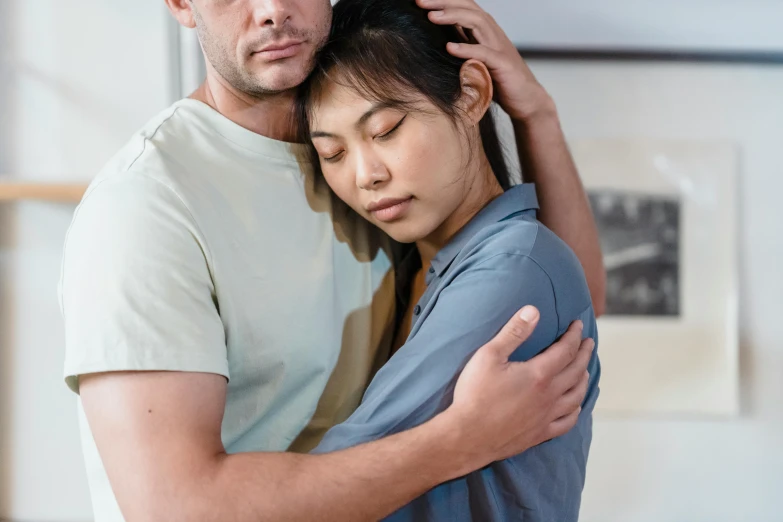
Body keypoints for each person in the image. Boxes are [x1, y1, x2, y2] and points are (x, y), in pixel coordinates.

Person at [59, 1, 604, 521]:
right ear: (181, 3)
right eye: (335, 151)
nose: (273, 8)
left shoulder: (385, 186)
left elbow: (561, 295)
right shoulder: (146, 205)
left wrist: (535, 113)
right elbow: (178, 511)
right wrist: (459, 440)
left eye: (384, 131)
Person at [296, 1, 600, 520]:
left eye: (386, 129)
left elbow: (331, 486)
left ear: (472, 94)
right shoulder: (408, 263)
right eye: (333, 154)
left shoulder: (511, 269)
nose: (366, 174)